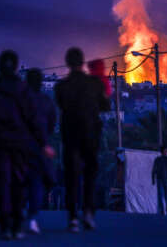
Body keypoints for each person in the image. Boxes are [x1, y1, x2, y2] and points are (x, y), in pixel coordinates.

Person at [0, 50, 54, 241]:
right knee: (18, 183)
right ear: (17, 66)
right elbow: (34, 119)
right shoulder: (24, 90)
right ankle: (18, 224)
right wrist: (43, 142)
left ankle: (5, 225)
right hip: (21, 144)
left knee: (2, 183)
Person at [55, 47, 110, 233]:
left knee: (71, 176)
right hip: (90, 135)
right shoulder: (95, 84)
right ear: (82, 62)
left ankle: (72, 217)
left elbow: (62, 105)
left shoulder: (61, 86)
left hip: (70, 135)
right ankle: (88, 212)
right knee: (90, 175)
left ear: (68, 63)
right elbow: (105, 105)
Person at [25, 68, 57, 234]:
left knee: (18, 182)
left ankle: (14, 219)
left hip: (18, 146)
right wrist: (45, 143)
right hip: (37, 148)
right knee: (36, 182)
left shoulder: (19, 100)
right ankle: (32, 217)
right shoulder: (45, 101)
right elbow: (51, 124)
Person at [152, 146, 167, 216]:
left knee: (160, 195)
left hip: (160, 179)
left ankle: (162, 210)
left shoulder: (157, 159)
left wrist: (153, 179)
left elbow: (154, 170)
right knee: (166, 194)